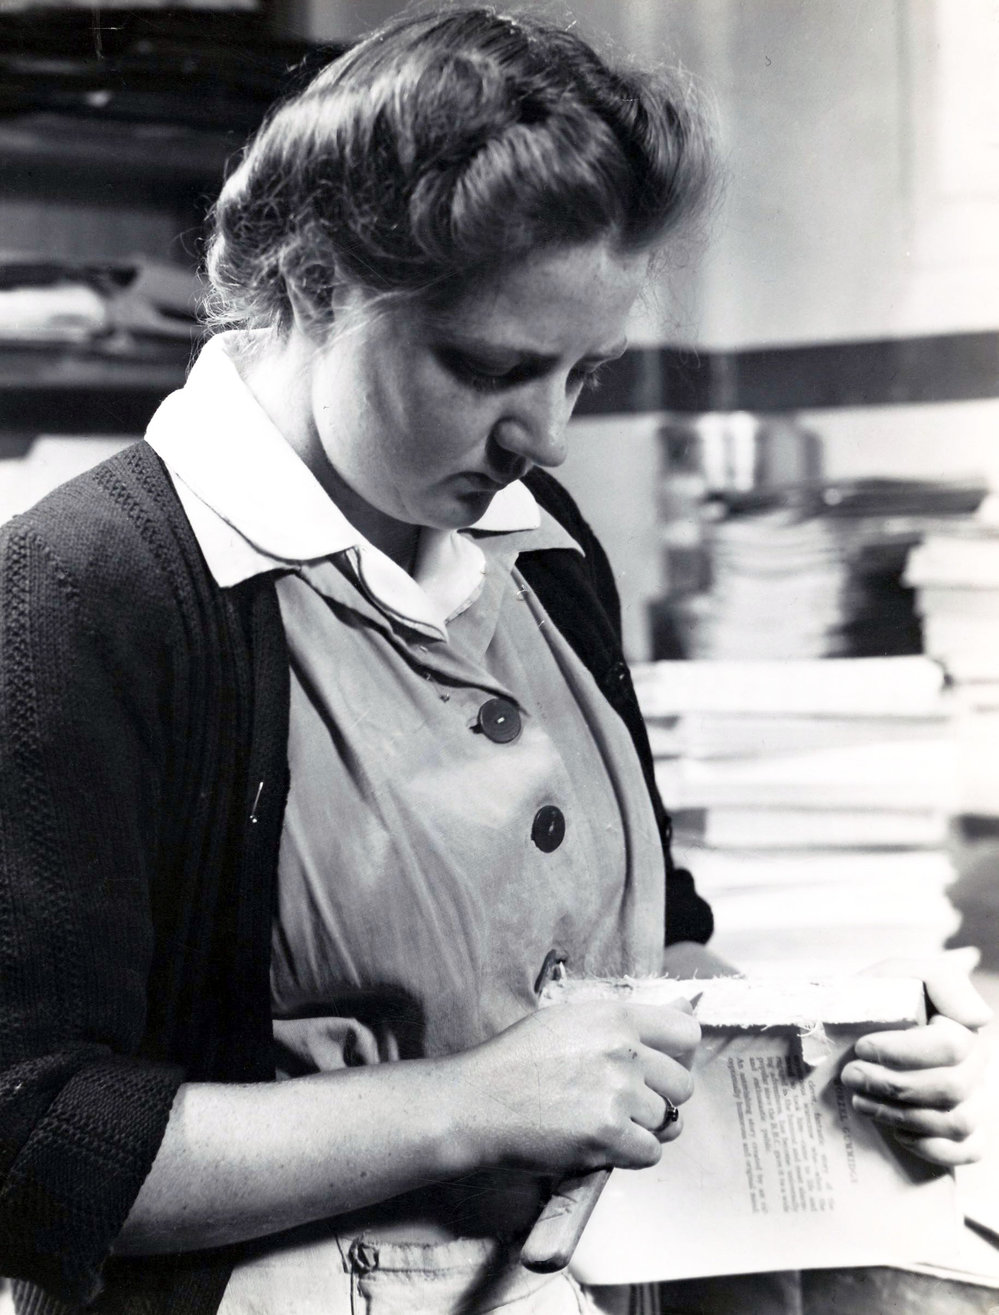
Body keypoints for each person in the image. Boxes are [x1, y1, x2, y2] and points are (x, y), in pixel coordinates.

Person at [0, 8, 988, 1315]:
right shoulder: (87, 595)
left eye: (584, 373)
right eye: (490, 367)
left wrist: (823, 1051)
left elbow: (645, 945)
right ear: (311, 284)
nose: (549, 434)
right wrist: (466, 1108)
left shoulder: (543, 549)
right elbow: (31, 1147)